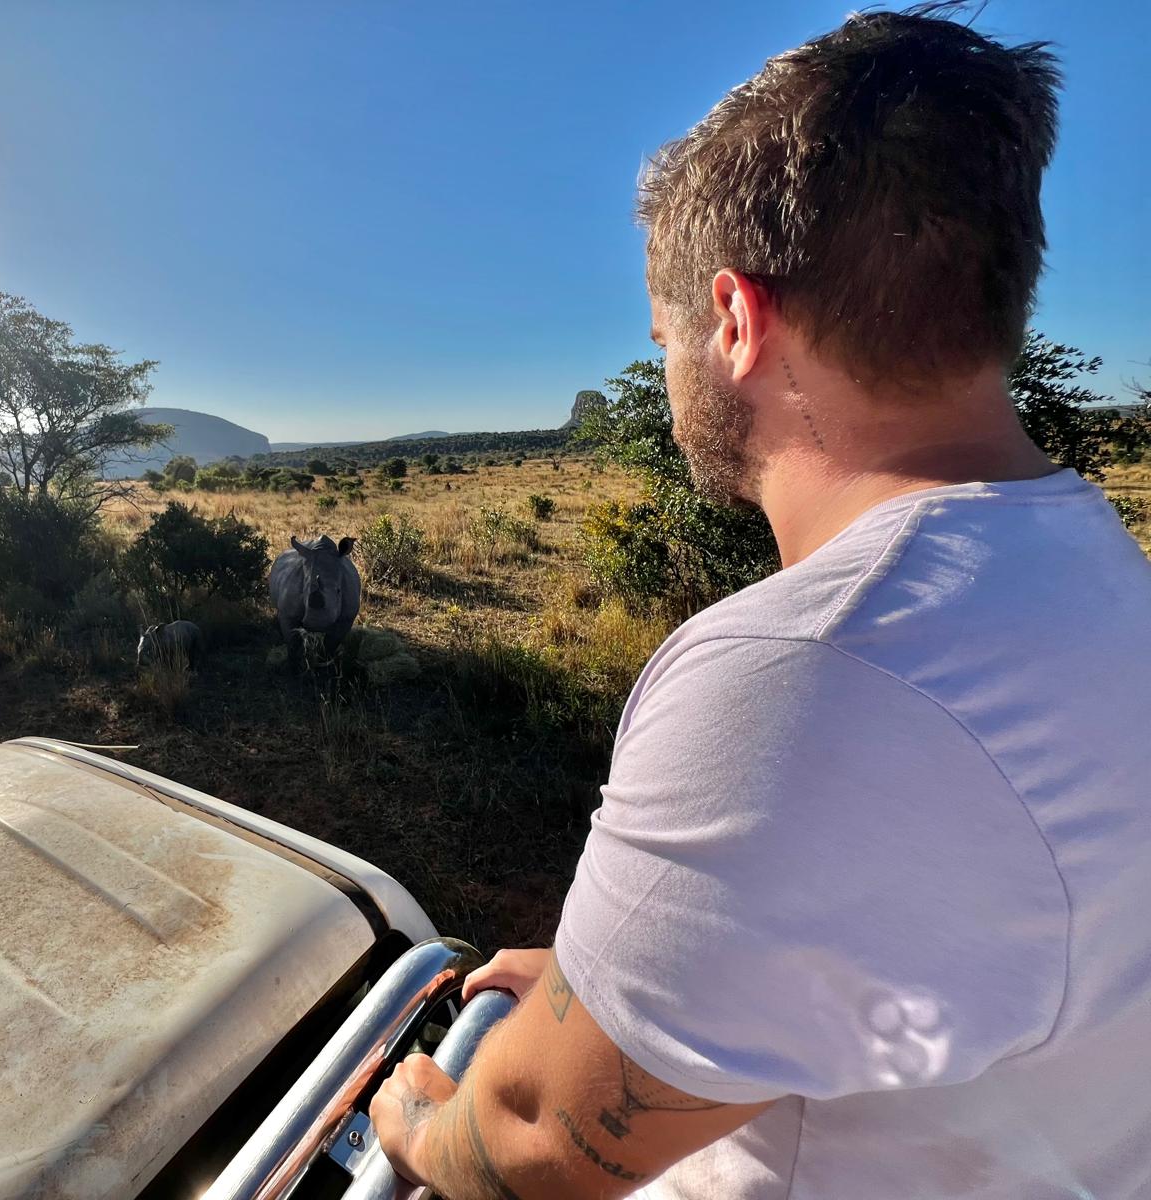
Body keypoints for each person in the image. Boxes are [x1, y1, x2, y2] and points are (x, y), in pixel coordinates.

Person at [368, 7, 1151, 1198]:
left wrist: (422, 1124)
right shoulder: (1090, 569)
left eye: (665, 334)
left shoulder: (815, 667)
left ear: (734, 320)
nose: (668, 364)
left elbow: (536, 1141)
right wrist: (620, 996)